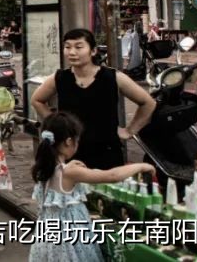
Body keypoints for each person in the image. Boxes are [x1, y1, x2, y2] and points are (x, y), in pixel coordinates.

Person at [28, 112, 155, 262]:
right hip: (70, 237)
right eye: (77, 140)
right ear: (69, 141)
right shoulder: (69, 172)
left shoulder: (44, 167)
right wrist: (141, 166)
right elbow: (111, 176)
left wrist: (70, 167)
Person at [31, 29, 156, 170]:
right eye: (67, 47)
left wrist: (129, 130)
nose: (72, 52)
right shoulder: (60, 78)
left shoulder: (112, 77)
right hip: (71, 153)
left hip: (107, 153)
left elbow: (148, 103)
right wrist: (58, 125)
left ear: (93, 51)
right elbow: (37, 100)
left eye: (78, 47)